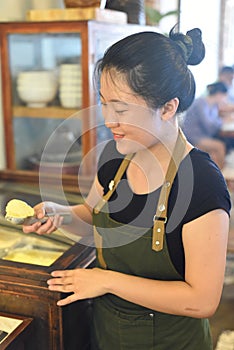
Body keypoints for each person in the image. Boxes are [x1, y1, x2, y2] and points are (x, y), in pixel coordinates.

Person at [22, 27, 231, 350]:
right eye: (105, 104)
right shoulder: (111, 158)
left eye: (121, 109)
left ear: (167, 107)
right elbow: (94, 216)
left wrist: (106, 280)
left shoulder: (202, 182)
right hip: (107, 335)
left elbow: (201, 300)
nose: (108, 120)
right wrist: (59, 214)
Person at [181, 81, 228, 169]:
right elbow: (209, 125)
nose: (225, 99)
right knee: (220, 147)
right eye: (224, 96)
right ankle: (221, 178)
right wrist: (222, 121)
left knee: (216, 154)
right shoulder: (201, 103)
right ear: (219, 94)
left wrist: (220, 121)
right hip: (193, 137)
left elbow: (213, 123)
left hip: (203, 135)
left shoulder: (213, 105)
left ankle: (217, 176)